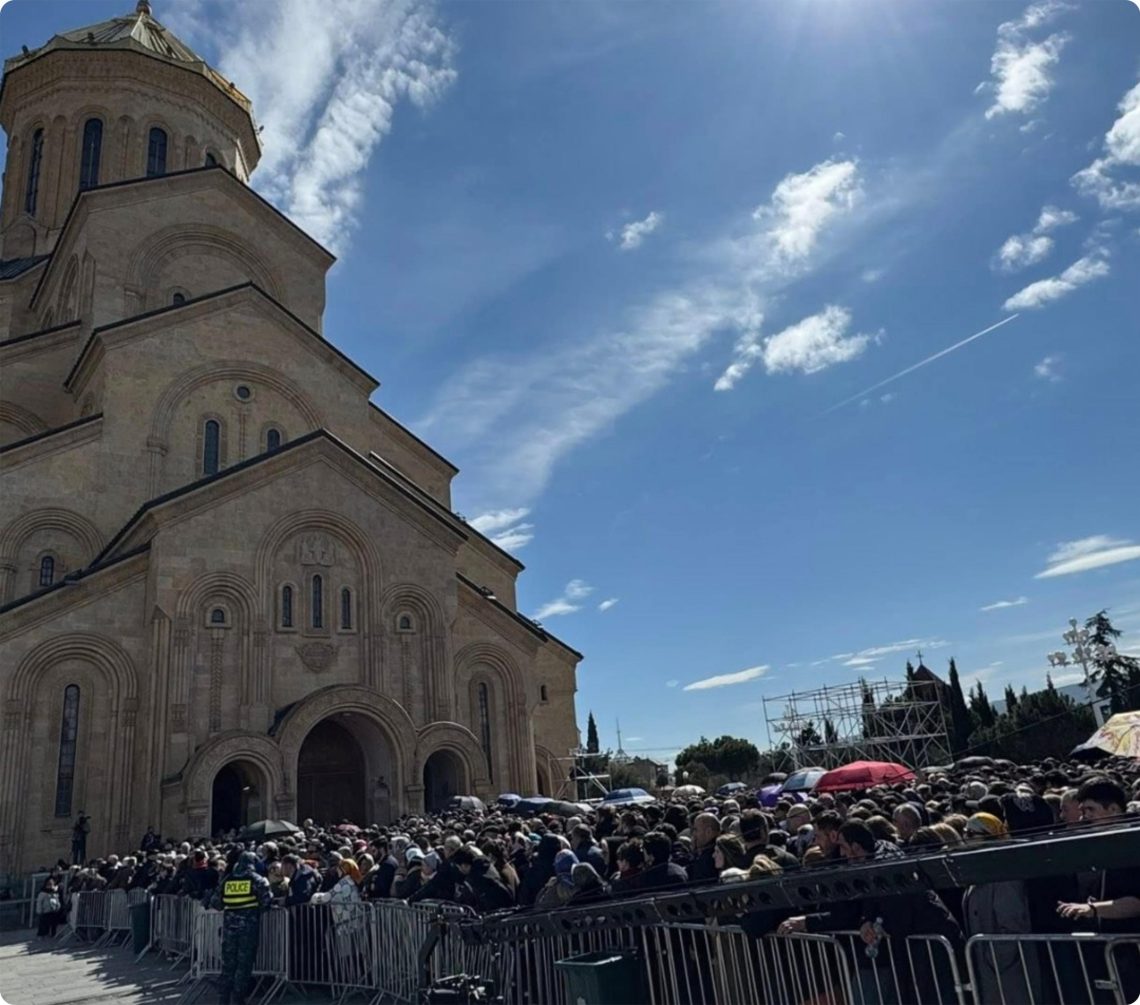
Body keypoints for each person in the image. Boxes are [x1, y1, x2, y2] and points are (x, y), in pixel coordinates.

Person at [212, 850, 271, 1005]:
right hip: (248, 929)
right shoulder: (257, 880)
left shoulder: (227, 880)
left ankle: (223, 999)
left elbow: (216, 903)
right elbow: (266, 903)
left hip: (229, 928)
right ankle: (238, 1000)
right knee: (243, 965)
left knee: (228, 965)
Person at [686, 813, 720, 883]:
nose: (694, 834)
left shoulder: (713, 854)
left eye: (696, 830)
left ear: (708, 832)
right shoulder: (703, 851)